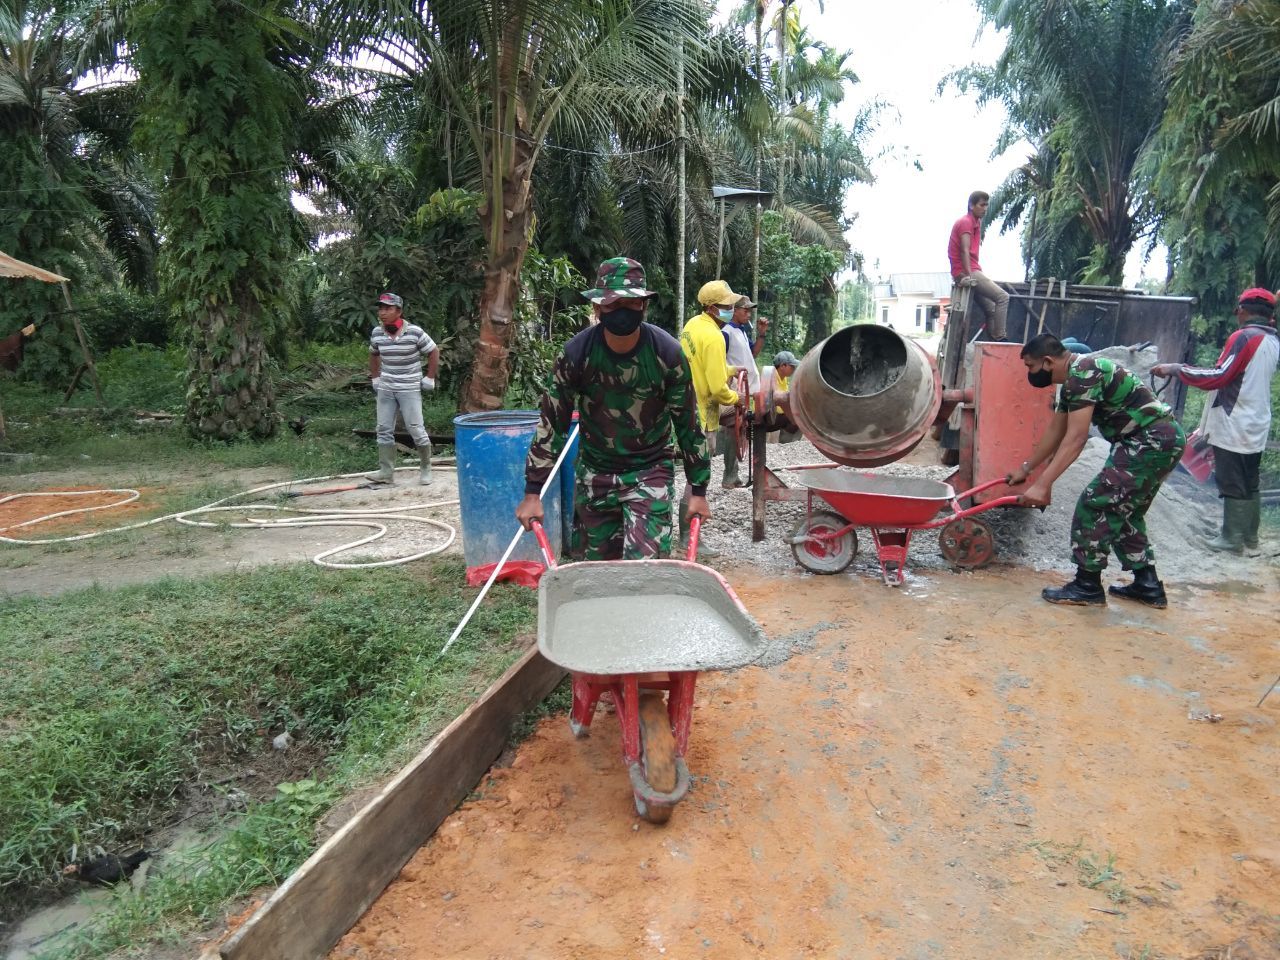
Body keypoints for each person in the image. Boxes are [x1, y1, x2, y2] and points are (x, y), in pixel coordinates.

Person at [515, 257, 711, 560]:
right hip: (595, 473)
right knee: (597, 576)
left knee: (644, 572)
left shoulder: (667, 354)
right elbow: (552, 424)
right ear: (597, 308)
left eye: (630, 304)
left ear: (644, 306)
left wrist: (698, 490)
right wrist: (533, 492)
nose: (621, 311)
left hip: (650, 471)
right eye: (612, 303)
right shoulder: (576, 355)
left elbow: (688, 423)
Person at [1008, 333, 1185, 607]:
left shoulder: (1083, 374)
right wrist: (1027, 469)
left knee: (1095, 505)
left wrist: (1043, 484)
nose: (1029, 373)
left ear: (1047, 361)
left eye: (1030, 367)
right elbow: (1056, 431)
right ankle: (1147, 586)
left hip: (1149, 441)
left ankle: (1087, 585)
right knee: (1124, 512)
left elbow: (1076, 439)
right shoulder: (1072, 380)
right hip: (1157, 440)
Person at [1153, 287, 1279, 555]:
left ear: (1241, 311)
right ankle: (1249, 539)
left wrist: (1175, 369)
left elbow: (1218, 375)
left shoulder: (1244, 337)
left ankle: (1231, 539)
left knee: (1231, 479)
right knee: (1250, 480)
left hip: (1235, 420)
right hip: (1255, 419)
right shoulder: (1272, 339)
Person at [679, 281, 746, 549]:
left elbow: (703, 365)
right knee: (697, 477)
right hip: (703, 414)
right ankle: (688, 538)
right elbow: (719, 390)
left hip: (685, 405)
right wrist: (737, 398)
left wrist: (731, 370)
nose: (731, 309)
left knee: (690, 473)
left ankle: (687, 534)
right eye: (727, 306)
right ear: (712, 308)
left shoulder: (692, 326)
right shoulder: (715, 337)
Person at [368, 292, 439, 485]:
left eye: (388, 308)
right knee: (383, 428)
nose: (383, 312)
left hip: (409, 387)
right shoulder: (377, 333)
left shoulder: (414, 332)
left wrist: (430, 377)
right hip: (387, 387)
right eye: (380, 308)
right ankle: (386, 471)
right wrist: (375, 378)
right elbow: (374, 354)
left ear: (399, 311)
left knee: (416, 428)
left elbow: (433, 350)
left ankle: (426, 468)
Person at [948, 190, 1009, 341]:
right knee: (1003, 297)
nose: (985, 208)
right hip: (965, 272)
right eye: (982, 205)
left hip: (972, 269)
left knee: (992, 309)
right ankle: (1001, 336)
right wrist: (969, 276)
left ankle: (994, 341)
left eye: (986, 205)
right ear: (971, 205)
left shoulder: (977, 222)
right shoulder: (965, 222)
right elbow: (964, 250)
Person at [719, 296, 761, 488]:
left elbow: (752, 354)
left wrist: (762, 334)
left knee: (740, 429)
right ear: (734, 310)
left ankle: (733, 474)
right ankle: (729, 475)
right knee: (732, 427)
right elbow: (720, 363)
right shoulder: (725, 333)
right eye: (745, 310)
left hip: (746, 389)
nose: (748, 313)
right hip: (734, 387)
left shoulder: (742, 331)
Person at [760, 350, 801, 443]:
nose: (794, 368)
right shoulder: (771, 375)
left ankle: (788, 445)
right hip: (767, 417)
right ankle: (787, 445)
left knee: (798, 418)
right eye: (792, 366)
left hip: (776, 416)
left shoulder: (784, 378)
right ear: (783, 366)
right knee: (798, 419)